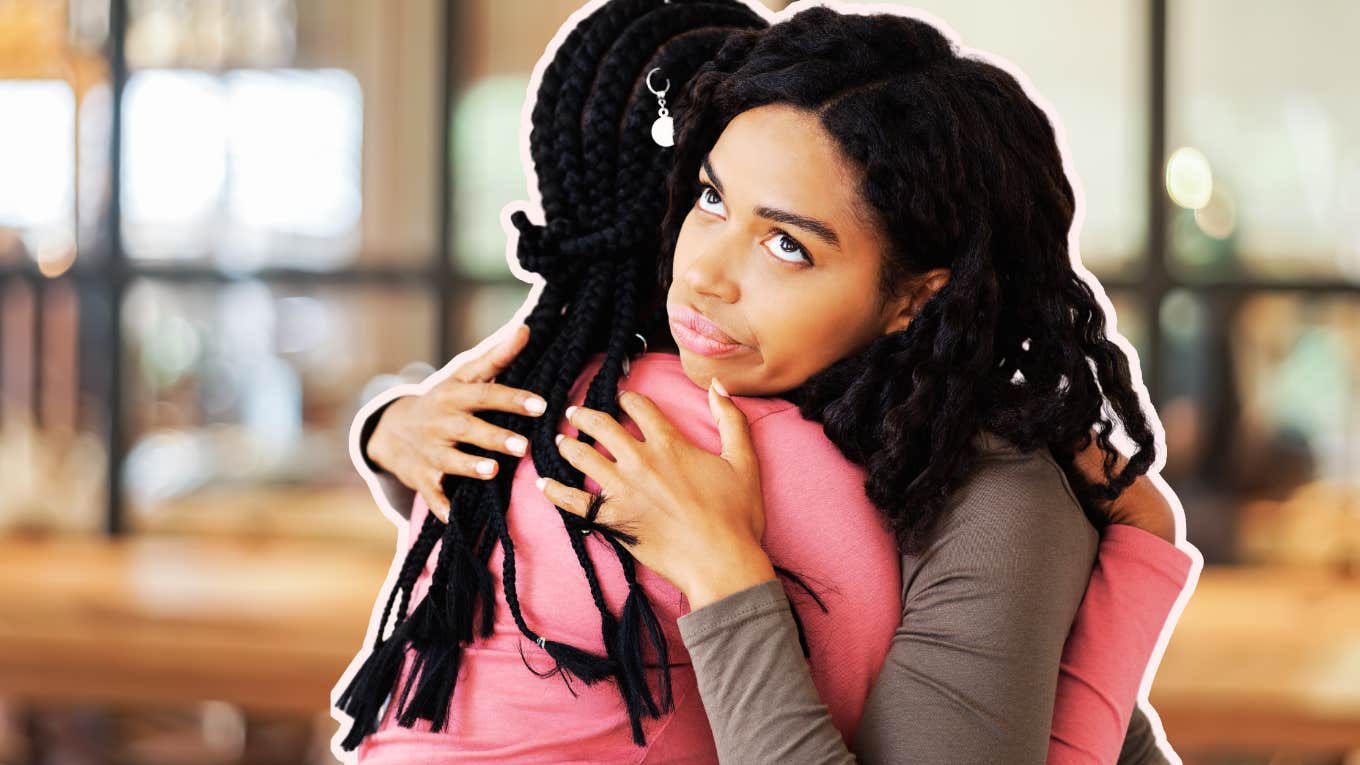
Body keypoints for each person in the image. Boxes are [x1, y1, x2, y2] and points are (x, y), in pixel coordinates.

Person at [332, 1, 1198, 762]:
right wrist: (390, 429)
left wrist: (728, 579)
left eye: (787, 244)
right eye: (711, 200)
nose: (704, 273)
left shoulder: (994, 495)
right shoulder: (651, 387)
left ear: (914, 297)